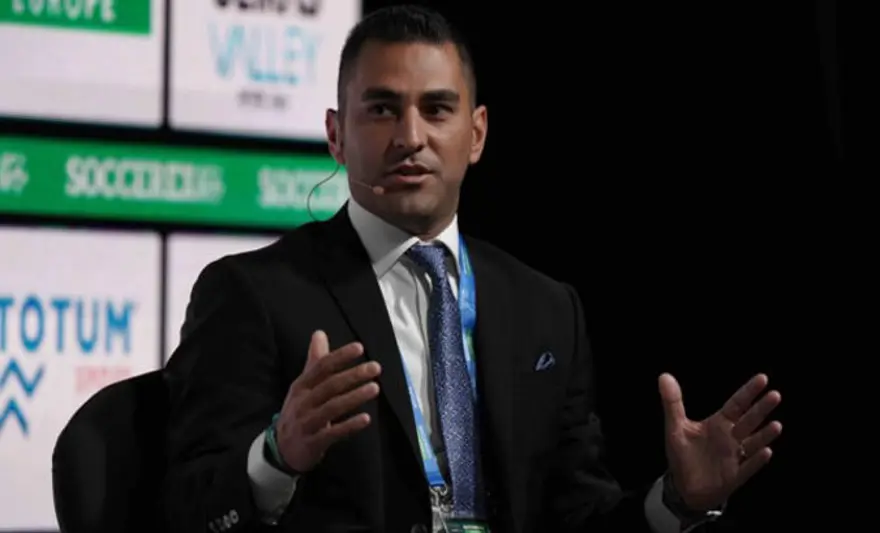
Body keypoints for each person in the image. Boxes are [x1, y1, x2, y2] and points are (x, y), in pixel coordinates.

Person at [162, 5, 783, 533]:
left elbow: (577, 515)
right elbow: (186, 508)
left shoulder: (545, 309)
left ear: (477, 133)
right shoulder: (251, 295)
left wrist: (676, 502)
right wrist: (277, 455)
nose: (410, 136)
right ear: (336, 134)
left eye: (437, 109)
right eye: (381, 109)